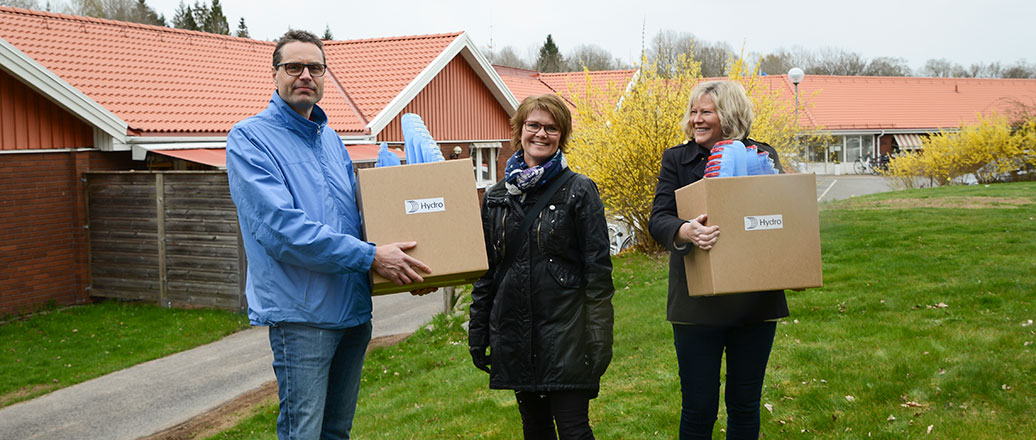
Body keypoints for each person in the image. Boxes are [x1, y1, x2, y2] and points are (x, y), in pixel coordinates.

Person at [226, 29, 431, 440]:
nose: (305, 74)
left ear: (324, 77)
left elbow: (361, 220)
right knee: (304, 433)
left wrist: (420, 264)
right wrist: (373, 257)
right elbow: (281, 230)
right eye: (294, 66)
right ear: (275, 74)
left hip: (353, 312)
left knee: (336, 432)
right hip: (302, 317)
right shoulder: (250, 139)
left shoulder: (332, 141)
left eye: (315, 67)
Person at [468, 94, 615, 439]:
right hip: (516, 334)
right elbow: (488, 272)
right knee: (534, 429)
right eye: (533, 125)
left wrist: (599, 336)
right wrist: (478, 331)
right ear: (519, 130)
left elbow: (598, 273)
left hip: (568, 333)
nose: (541, 134)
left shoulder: (579, 191)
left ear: (562, 136)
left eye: (552, 128)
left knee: (573, 429)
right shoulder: (496, 197)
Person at [647, 80, 789, 440]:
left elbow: (782, 215)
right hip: (696, 305)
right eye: (693, 112)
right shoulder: (676, 160)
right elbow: (658, 217)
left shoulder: (762, 156)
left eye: (705, 112)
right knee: (698, 407)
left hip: (754, 302)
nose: (696, 119)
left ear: (728, 115)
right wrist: (685, 231)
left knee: (744, 405)